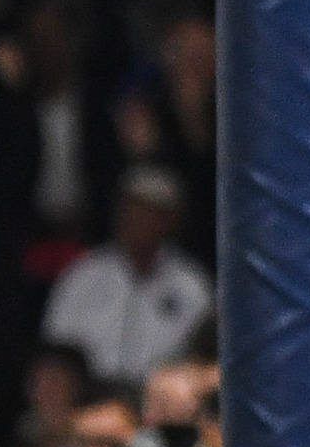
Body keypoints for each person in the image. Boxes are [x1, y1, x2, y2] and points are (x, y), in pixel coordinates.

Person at [40, 164, 213, 385]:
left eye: (150, 213)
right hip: (92, 397)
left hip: (162, 401)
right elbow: (55, 350)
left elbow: (205, 358)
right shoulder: (83, 275)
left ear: (171, 220)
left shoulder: (192, 284)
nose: (137, 221)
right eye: (131, 210)